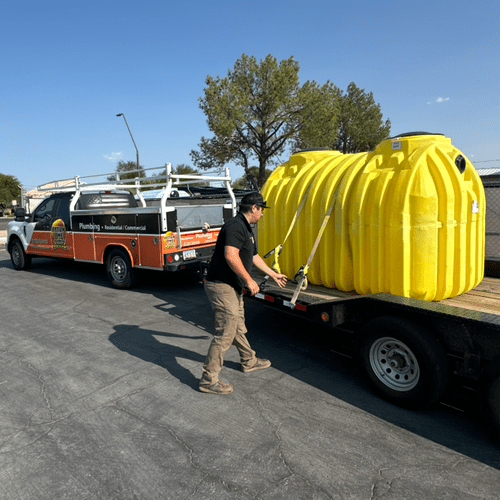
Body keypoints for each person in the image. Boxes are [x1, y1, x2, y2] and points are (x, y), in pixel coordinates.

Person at [199, 192, 287, 394]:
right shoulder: (235, 226)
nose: (263, 213)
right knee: (225, 333)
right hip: (221, 285)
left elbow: (253, 256)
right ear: (254, 208)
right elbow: (231, 255)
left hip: (232, 286)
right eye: (262, 209)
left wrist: (273, 274)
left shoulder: (246, 227)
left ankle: (249, 360)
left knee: (238, 326)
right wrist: (249, 280)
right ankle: (208, 380)